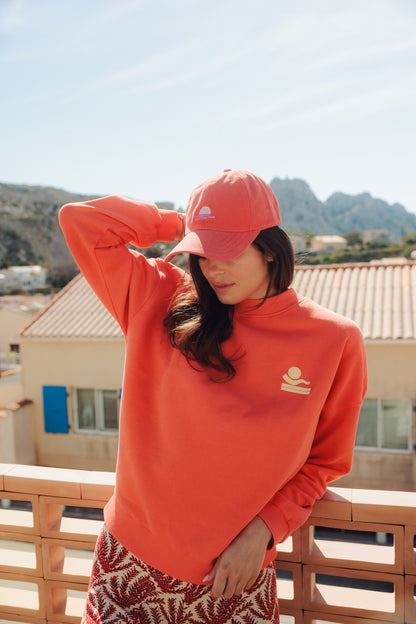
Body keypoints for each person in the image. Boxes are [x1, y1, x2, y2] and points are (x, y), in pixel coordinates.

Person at [59, 169, 367, 624]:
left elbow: (325, 461)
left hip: (234, 578)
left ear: (269, 247)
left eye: (228, 250)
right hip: (128, 564)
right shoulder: (159, 297)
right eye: (202, 253)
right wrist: (181, 224)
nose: (212, 268)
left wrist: (265, 530)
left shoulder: (334, 339)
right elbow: (81, 221)